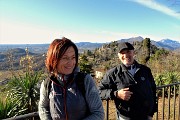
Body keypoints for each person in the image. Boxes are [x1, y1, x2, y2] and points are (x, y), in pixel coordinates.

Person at [38, 37, 104, 120]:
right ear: (54, 60)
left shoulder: (85, 81)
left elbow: (98, 113)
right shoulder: (47, 84)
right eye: (65, 58)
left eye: (73, 57)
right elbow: (43, 108)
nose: (70, 63)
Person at [98, 42, 157, 120]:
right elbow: (99, 91)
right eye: (122, 53)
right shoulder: (113, 73)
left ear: (133, 52)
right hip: (125, 117)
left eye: (128, 51)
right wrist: (116, 94)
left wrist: (151, 113)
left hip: (145, 116)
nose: (125, 55)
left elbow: (153, 91)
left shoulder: (145, 70)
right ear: (118, 56)